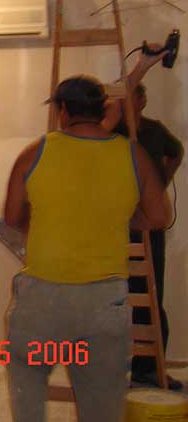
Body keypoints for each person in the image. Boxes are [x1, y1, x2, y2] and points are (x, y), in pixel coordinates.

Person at [3, 74, 170, 422]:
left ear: (63, 110)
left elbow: (12, 217)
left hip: (41, 301)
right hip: (103, 303)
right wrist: (120, 216)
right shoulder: (133, 154)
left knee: (28, 402)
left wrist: (49, 219)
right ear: (101, 110)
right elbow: (159, 217)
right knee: (102, 409)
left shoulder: (35, 153)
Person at [106, 46, 184, 389]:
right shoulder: (113, 131)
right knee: (114, 294)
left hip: (147, 226)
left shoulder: (153, 131)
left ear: (142, 101)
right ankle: (112, 366)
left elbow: (176, 152)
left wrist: (160, 185)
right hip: (116, 223)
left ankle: (149, 368)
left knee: (151, 294)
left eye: (134, 97)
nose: (128, 102)